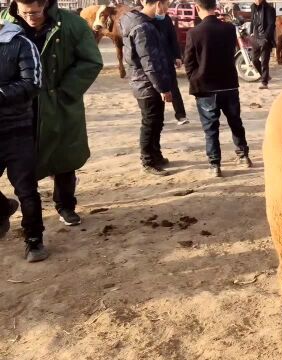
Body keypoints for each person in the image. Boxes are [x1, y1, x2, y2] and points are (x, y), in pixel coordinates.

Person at [1, 0, 103, 227]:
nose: (30, 18)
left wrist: (65, 92)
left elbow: (92, 61)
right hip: (19, 106)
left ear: (46, 4)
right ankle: (11, 208)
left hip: (59, 104)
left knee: (64, 158)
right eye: (24, 12)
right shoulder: (4, 23)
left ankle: (65, 205)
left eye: (35, 12)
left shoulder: (72, 25)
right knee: (21, 161)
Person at [184, 0, 252, 177]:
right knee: (235, 122)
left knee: (210, 128)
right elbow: (230, 52)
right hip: (228, 84)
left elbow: (189, 62)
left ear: (197, 8)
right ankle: (243, 156)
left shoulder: (194, 32)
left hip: (205, 87)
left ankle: (215, 165)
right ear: (215, 7)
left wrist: (194, 78)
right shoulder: (228, 29)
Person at [0, 20, 48, 262]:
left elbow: (33, 83)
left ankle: (34, 239)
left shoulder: (21, 44)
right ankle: (2, 209)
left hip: (16, 128)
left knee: (26, 190)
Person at [121, 0, 174, 176]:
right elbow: (149, 62)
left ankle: (156, 154)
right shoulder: (142, 27)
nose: (167, 9)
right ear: (159, 4)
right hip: (146, 83)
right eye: (167, 4)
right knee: (150, 122)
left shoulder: (143, 23)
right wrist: (162, 88)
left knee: (157, 120)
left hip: (147, 81)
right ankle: (147, 160)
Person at [153, 12, 189, 125]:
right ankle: (157, 118)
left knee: (173, 87)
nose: (165, 7)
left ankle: (181, 115)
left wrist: (177, 56)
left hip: (167, 58)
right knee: (156, 89)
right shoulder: (146, 20)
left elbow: (173, 38)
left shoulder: (166, 19)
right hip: (153, 61)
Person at [249, 0, 275, 90]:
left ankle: (264, 82)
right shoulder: (253, 7)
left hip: (265, 38)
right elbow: (252, 20)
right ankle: (266, 76)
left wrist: (265, 38)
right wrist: (251, 33)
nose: (256, 0)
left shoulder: (270, 9)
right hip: (255, 38)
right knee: (254, 59)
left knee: (264, 61)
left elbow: (271, 25)